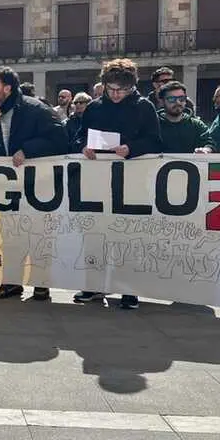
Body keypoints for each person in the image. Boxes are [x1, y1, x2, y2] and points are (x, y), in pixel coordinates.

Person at [74, 58, 162, 309]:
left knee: (127, 236)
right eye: (111, 89)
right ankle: (93, 286)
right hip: (97, 180)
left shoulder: (144, 107)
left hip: (132, 180)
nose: (115, 95)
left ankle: (128, 290)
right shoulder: (93, 108)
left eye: (121, 90)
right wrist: (83, 147)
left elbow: (155, 141)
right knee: (95, 235)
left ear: (131, 87)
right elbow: (79, 135)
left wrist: (131, 148)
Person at [0, 67, 68, 302]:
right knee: (11, 237)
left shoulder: (35, 108)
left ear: (7, 88)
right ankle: (11, 283)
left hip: (39, 185)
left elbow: (59, 139)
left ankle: (41, 284)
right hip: (7, 188)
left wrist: (28, 150)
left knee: (39, 235)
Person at [157, 82, 215, 154]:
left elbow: (209, 143)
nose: (178, 102)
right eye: (171, 99)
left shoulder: (196, 125)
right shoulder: (153, 125)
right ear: (162, 101)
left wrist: (206, 149)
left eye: (181, 98)